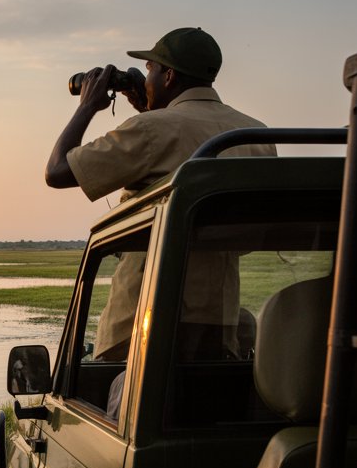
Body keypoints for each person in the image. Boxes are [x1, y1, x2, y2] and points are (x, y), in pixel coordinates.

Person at [46, 26, 275, 364]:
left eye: (151, 69)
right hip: (216, 321)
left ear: (169, 76)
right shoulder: (256, 137)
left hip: (143, 319)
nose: (145, 77)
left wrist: (88, 105)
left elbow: (58, 171)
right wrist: (152, 111)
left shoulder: (151, 131)